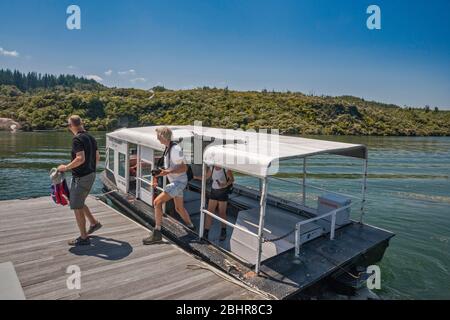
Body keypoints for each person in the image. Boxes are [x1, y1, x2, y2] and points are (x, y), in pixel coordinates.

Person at [142, 127, 195, 245]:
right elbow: (172, 167)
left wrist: (168, 172)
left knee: (157, 202)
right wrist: (161, 174)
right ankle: (191, 227)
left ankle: (157, 232)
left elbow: (184, 167)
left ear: (162, 135)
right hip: (177, 181)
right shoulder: (168, 148)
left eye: (158, 135)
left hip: (178, 182)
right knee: (178, 208)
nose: (156, 137)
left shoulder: (175, 149)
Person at [57, 115, 102, 246]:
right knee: (77, 200)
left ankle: (83, 238)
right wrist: (90, 168)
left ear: (71, 126)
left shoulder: (77, 139)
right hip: (90, 174)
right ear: (81, 123)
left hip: (81, 177)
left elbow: (80, 158)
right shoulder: (90, 137)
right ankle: (94, 223)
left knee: (76, 206)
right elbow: (97, 157)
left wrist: (65, 167)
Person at [201, 166, 234, 241]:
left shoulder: (225, 168)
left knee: (222, 213)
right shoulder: (212, 167)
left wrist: (225, 184)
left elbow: (232, 179)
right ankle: (206, 233)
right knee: (209, 212)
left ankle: (223, 231)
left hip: (223, 192)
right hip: (214, 192)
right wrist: (195, 177)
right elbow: (206, 177)